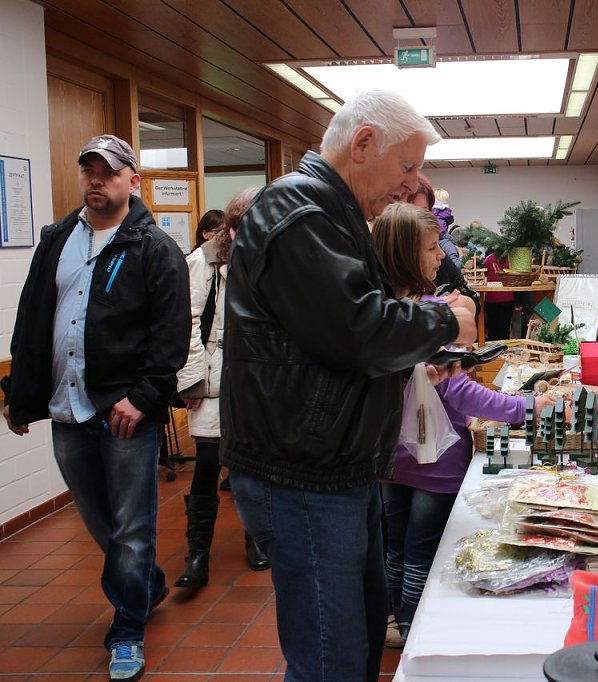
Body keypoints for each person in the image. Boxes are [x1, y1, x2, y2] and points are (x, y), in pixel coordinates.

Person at [220, 90, 476, 682]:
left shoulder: (332, 214)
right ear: (362, 144)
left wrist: (414, 364)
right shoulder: (300, 213)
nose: (411, 184)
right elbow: (359, 330)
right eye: (406, 166)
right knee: (330, 657)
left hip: (334, 466)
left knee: (353, 645)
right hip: (302, 473)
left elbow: (328, 343)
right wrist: (445, 323)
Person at [1, 134, 190, 680]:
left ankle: (127, 630)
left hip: (124, 412)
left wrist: (143, 397)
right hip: (68, 408)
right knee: (101, 522)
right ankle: (145, 584)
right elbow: (32, 319)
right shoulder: (57, 239)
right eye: (88, 171)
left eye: (107, 171)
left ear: (133, 179)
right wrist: (19, 392)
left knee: (131, 527)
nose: (96, 180)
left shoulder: (154, 247)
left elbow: (170, 335)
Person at [372, 202, 557, 649]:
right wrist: (528, 406)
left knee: (394, 549)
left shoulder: (378, 312)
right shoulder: (433, 314)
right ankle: (414, 635)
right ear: (406, 255)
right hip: (436, 461)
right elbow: (461, 394)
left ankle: (391, 623)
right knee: (423, 553)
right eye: (431, 248)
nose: (442, 256)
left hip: (389, 457)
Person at [173, 188, 268, 591]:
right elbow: (186, 322)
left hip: (258, 375)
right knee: (209, 463)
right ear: (232, 226)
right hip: (215, 372)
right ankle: (197, 552)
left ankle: (256, 537)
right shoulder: (203, 261)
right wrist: (192, 379)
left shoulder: (271, 257)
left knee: (253, 462)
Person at [402, 172, 480, 313]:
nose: (419, 221)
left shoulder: (438, 256)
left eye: (424, 212)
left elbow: (471, 297)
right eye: (411, 213)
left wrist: (461, 305)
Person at [483, 250, 515, 340]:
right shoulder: (511, 259)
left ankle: (492, 347)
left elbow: (485, 275)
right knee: (504, 327)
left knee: (492, 327)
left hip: (491, 297)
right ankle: (504, 346)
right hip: (508, 297)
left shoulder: (488, 259)